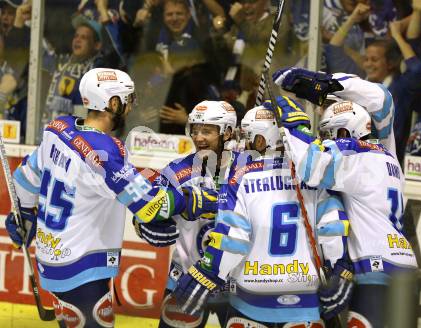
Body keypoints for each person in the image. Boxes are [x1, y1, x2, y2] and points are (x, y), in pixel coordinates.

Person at [3, 68, 194, 327]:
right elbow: (151, 206)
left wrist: (24, 211)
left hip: (51, 258)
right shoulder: (105, 152)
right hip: (82, 267)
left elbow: (26, 176)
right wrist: (191, 199)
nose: (130, 105)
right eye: (127, 99)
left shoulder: (58, 128)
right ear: (112, 103)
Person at [170, 104, 353, 326]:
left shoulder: (241, 176)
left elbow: (232, 240)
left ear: (259, 140)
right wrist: (340, 268)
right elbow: (334, 227)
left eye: (247, 136)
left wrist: (206, 273)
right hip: (307, 296)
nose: (243, 144)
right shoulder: (314, 176)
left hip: (253, 299)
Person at [270, 68, 418, 327]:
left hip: (373, 265)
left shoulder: (353, 152)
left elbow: (382, 99)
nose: (319, 111)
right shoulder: (382, 151)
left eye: (326, 105)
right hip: (399, 263)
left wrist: (294, 124)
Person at [156, 100, 240, 327]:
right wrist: (145, 222)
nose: (198, 137)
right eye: (195, 129)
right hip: (186, 278)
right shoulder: (175, 170)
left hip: (235, 283)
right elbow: (151, 207)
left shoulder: (246, 169)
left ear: (228, 132)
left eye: (207, 131)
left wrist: (212, 201)